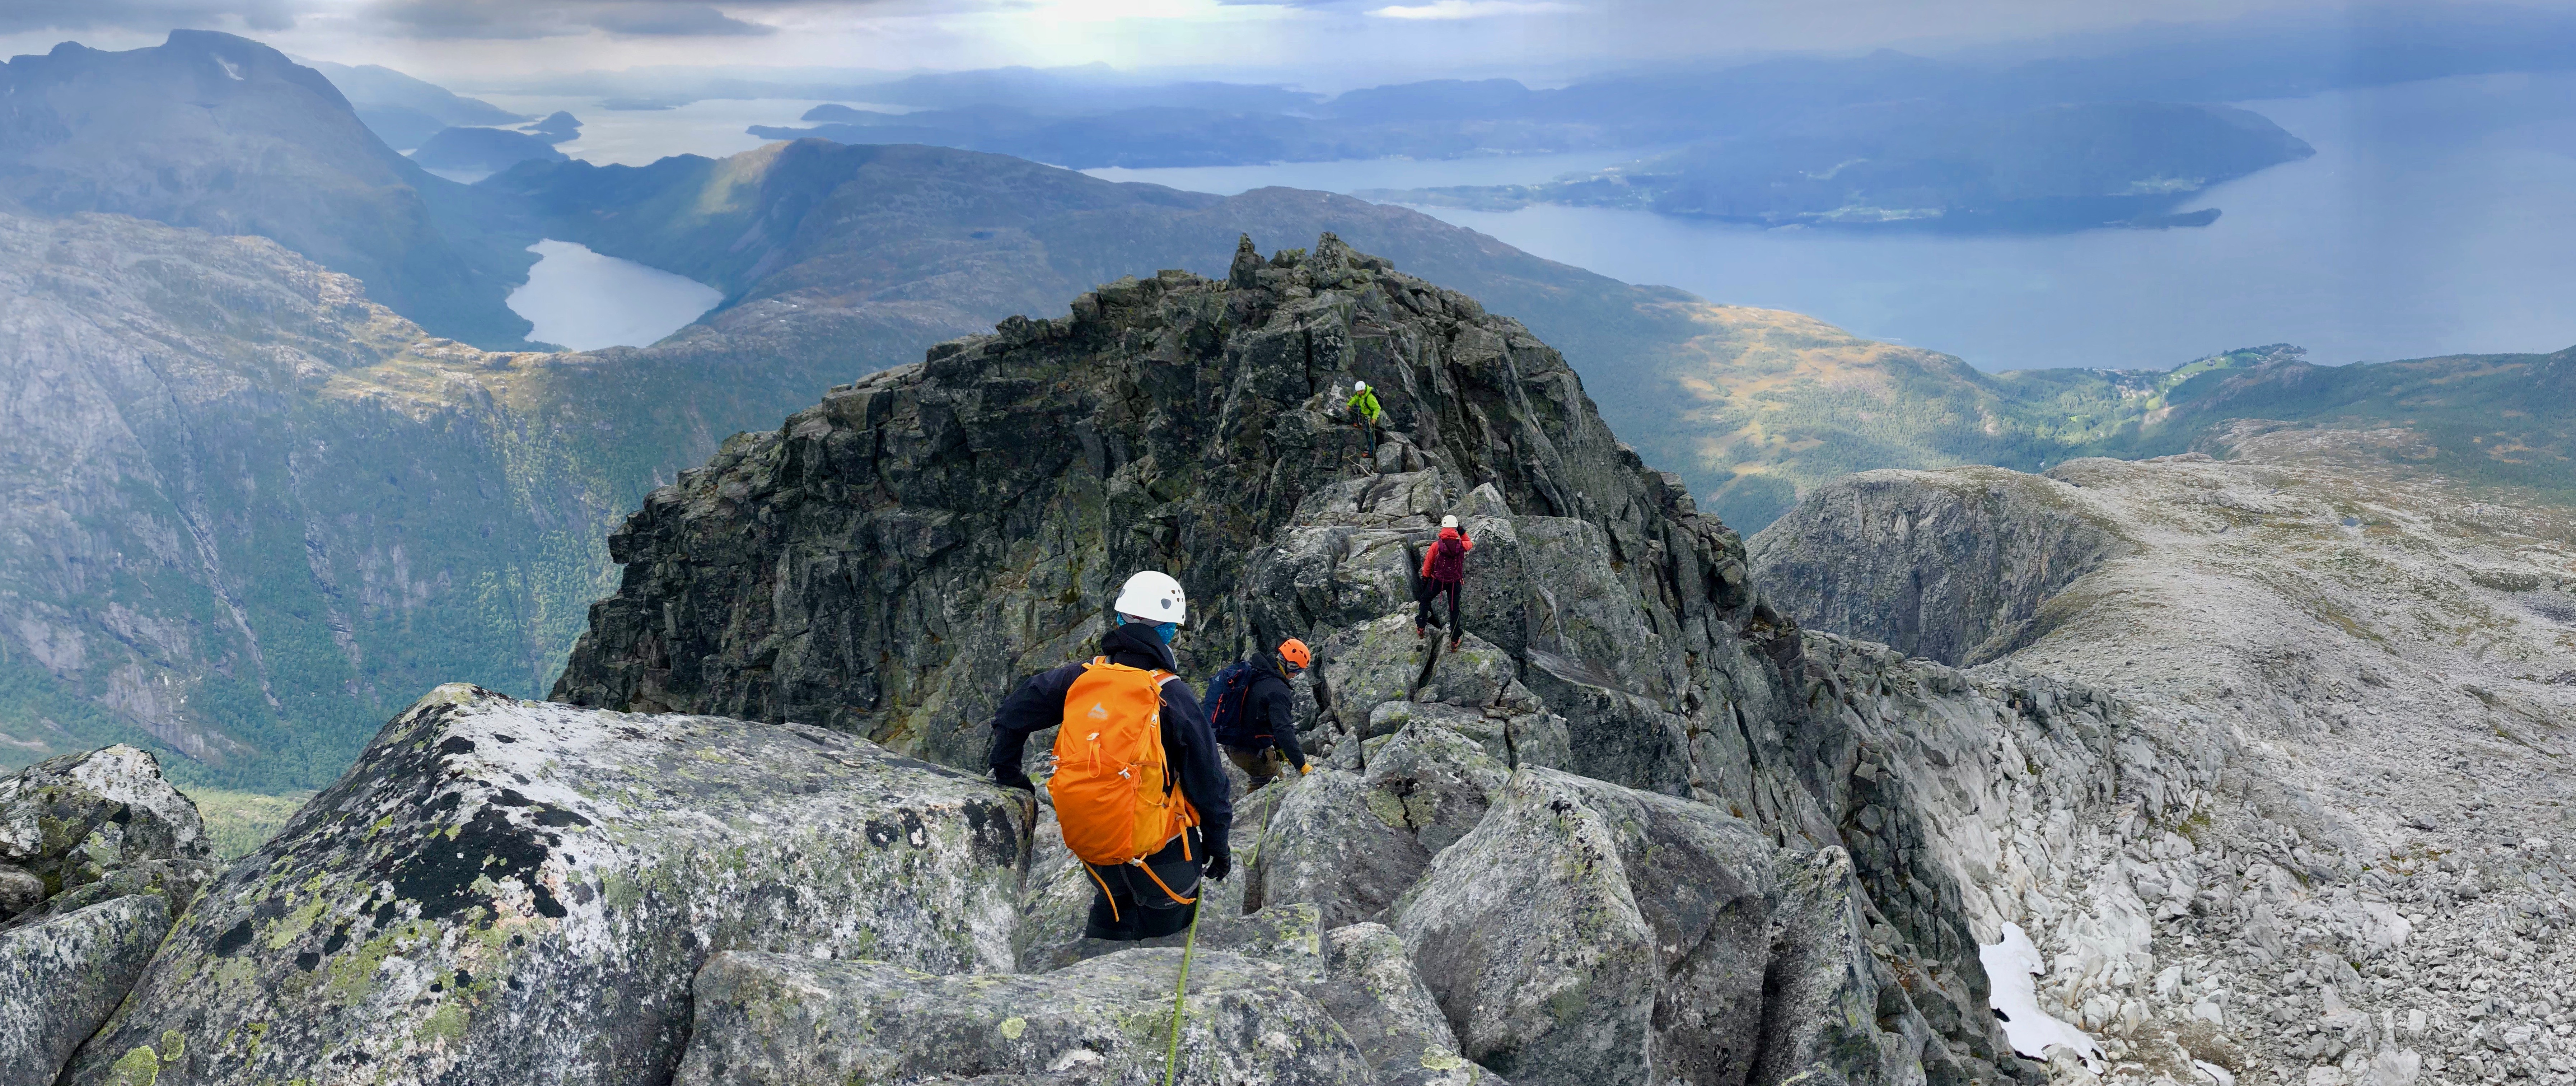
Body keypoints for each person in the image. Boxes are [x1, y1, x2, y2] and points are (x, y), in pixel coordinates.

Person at [988, 570, 1233, 941]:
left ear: (1120, 620)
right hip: (1162, 853)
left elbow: (1011, 715)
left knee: (1113, 910)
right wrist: (1218, 844)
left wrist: (1010, 773)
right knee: (1165, 945)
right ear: (1168, 631)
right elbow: (1209, 783)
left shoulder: (1079, 677)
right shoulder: (1172, 694)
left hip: (1095, 847)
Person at [1209, 639, 1313, 789]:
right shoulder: (1278, 691)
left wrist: (1279, 748)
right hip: (1246, 748)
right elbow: (1283, 730)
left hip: (1229, 740)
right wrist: (1301, 765)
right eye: (1298, 671)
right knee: (1275, 781)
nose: (1297, 675)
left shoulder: (1258, 671)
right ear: (1291, 666)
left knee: (1264, 776)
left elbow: (1261, 714)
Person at [1416, 514, 1474, 648]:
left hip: (1438, 581)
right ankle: (1455, 640)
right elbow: (1470, 543)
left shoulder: (1436, 546)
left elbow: (1428, 565)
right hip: (1455, 582)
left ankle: (1421, 628)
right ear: (1455, 528)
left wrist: (1425, 579)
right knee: (1455, 610)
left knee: (1425, 599)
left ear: (1443, 528)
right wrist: (1463, 532)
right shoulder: (1462, 545)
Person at [1346, 381, 1383, 458]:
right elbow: (1355, 398)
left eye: (1361, 391)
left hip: (1369, 416)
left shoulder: (1370, 398)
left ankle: (1371, 452)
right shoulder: (1360, 395)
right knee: (1355, 410)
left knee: (1369, 434)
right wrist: (1349, 405)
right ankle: (1359, 424)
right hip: (1364, 413)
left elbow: (1377, 408)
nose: (1360, 393)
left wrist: (1374, 418)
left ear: (1364, 390)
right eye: (1358, 392)